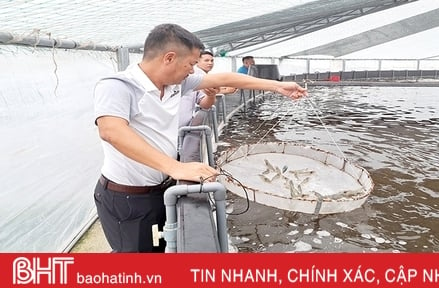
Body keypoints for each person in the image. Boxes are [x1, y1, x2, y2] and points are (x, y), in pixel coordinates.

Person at [93, 23, 306, 253]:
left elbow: (225, 78)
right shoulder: (118, 85)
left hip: (159, 189)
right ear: (169, 58)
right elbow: (111, 131)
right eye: (191, 64)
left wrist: (277, 86)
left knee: (158, 249)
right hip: (126, 197)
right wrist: (175, 167)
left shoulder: (176, 84)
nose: (193, 71)